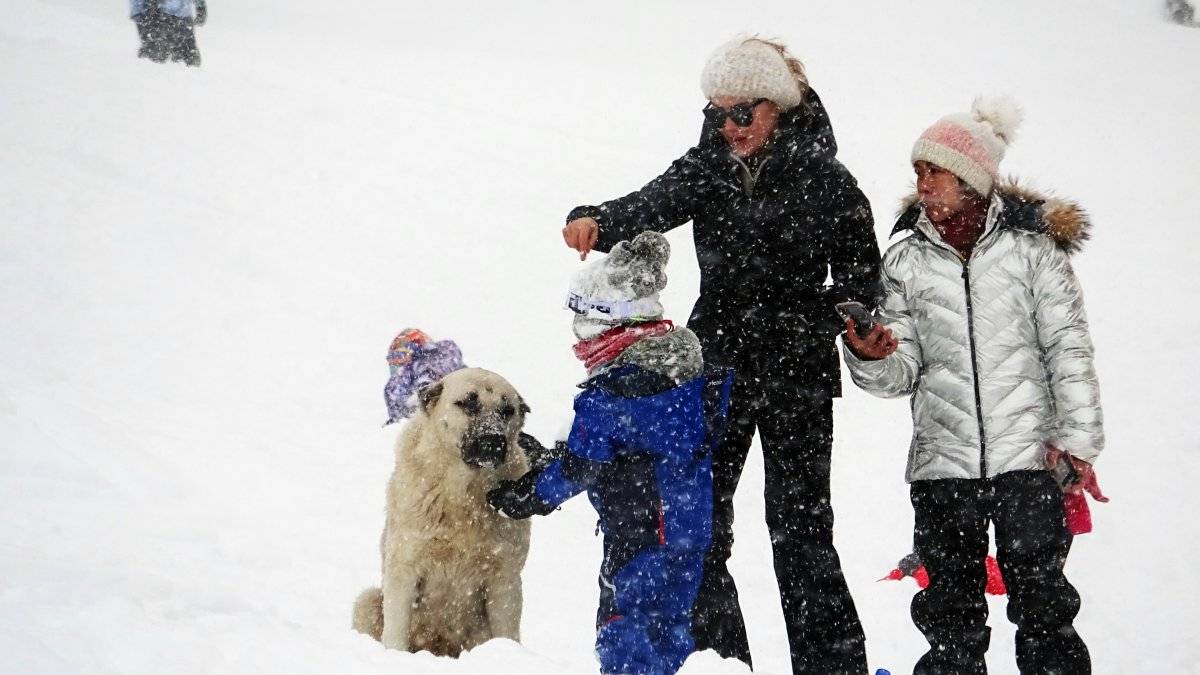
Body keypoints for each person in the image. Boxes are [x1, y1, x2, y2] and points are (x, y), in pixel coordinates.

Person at [561, 37, 879, 672]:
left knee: (802, 535)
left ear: (778, 109)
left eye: (742, 112)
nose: (729, 126)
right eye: (717, 112)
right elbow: (651, 202)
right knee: (701, 528)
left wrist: (850, 318)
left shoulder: (827, 178)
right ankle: (716, 661)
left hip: (798, 371)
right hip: (718, 367)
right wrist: (600, 218)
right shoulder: (706, 169)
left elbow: (861, 274)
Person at [843, 96, 1104, 674]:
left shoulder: (1032, 251)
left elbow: (1070, 348)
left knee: (1043, 609)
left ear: (971, 178)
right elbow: (899, 373)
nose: (923, 183)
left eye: (934, 170)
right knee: (949, 619)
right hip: (942, 469)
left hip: (1028, 463)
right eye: (918, 171)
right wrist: (869, 354)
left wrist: (1077, 442)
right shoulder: (904, 261)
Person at [487, 232, 733, 675]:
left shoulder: (613, 393)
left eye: (583, 321)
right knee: (675, 635)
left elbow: (581, 467)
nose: (579, 336)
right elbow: (637, 447)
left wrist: (525, 496)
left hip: (637, 536)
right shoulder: (687, 376)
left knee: (628, 635)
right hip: (688, 528)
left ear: (610, 321)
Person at [130, 0, 206, 67]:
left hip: (184, 18)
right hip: (161, 17)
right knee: (159, 60)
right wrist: (141, 14)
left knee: (191, 59)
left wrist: (200, 6)